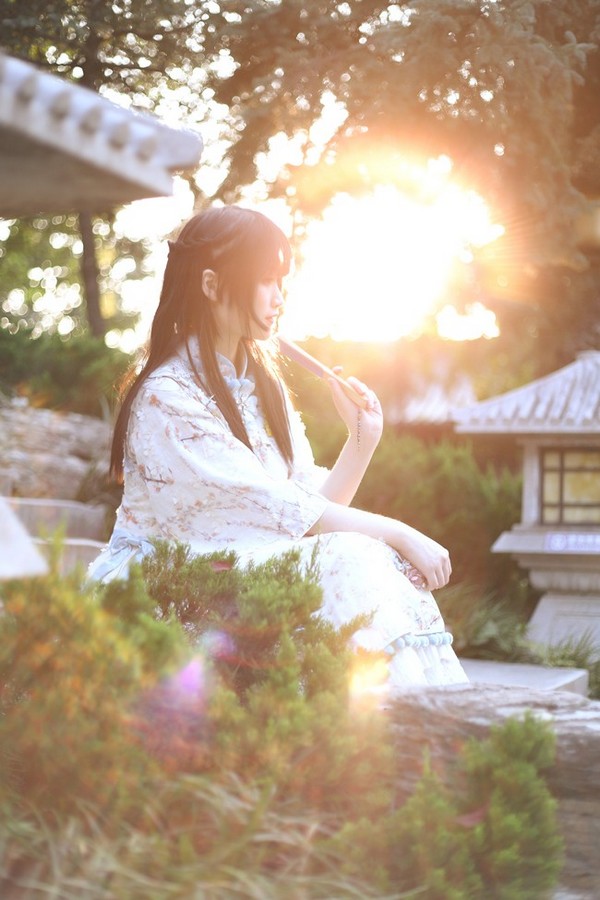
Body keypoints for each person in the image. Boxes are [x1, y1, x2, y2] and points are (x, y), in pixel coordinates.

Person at [88, 205, 468, 693]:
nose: (279, 298)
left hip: (231, 574)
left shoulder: (262, 387)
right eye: (265, 280)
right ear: (211, 284)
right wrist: (397, 532)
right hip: (169, 584)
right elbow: (287, 513)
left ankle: (414, 719)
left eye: (281, 281)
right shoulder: (166, 397)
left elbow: (306, 511)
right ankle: (403, 722)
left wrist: (361, 440)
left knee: (355, 554)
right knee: (354, 553)